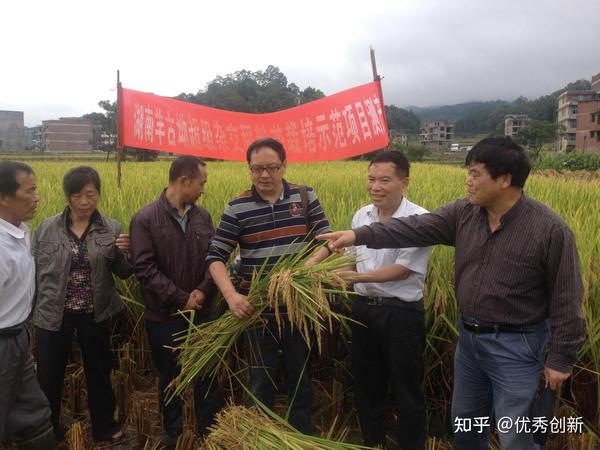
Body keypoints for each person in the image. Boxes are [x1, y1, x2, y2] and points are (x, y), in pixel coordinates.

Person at [318, 137, 586, 450]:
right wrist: (356, 235)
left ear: (504, 180)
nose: (467, 181)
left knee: (515, 434)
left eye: (475, 174)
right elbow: (411, 228)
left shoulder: (549, 230)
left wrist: (561, 358)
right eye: (468, 172)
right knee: (467, 425)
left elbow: (567, 297)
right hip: (469, 341)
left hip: (518, 346)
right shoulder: (463, 213)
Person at [207, 137, 332, 434]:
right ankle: (260, 436)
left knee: (299, 375)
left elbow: (327, 241)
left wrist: (304, 270)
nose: (264, 175)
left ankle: (299, 436)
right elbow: (215, 257)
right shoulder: (237, 207)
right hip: (257, 309)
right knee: (260, 378)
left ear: (284, 166)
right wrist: (231, 296)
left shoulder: (304, 197)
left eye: (271, 168)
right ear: (249, 169)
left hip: (297, 305)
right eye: (257, 169)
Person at [338, 151, 431, 449]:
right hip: (363, 311)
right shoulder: (361, 216)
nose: (375, 186)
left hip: (401, 314)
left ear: (404, 182)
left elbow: (401, 271)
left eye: (384, 180)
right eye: (371, 179)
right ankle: (372, 443)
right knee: (366, 385)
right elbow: (350, 262)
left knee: (407, 388)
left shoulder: (420, 219)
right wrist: (323, 274)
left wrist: (354, 279)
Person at [32, 166, 132, 445]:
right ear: (68, 197)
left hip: (95, 312)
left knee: (99, 371)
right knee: (49, 375)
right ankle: (48, 429)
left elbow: (122, 272)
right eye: (77, 195)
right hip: (54, 314)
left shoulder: (111, 228)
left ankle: (104, 427)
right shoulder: (46, 229)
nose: (85, 201)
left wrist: (128, 253)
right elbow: (34, 273)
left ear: (98, 194)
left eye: (90, 194)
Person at [129, 155, 223, 448]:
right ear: (184, 181)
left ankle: (210, 430)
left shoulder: (202, 216)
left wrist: (204, 291)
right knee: (171, 376)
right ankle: (173, 433)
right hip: (165, 316)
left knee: (206, 373)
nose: (203, 189)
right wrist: (182, 298)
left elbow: (215, 259)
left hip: (202, 311)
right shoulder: (145, 219)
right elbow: (145, 270)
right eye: (201, 183)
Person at [0, 161, 56, 450]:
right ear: (4, 197)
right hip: (2, 343)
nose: (37, 198)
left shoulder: (19, 232)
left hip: (16, 337)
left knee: (33, 414)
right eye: (30, 191)